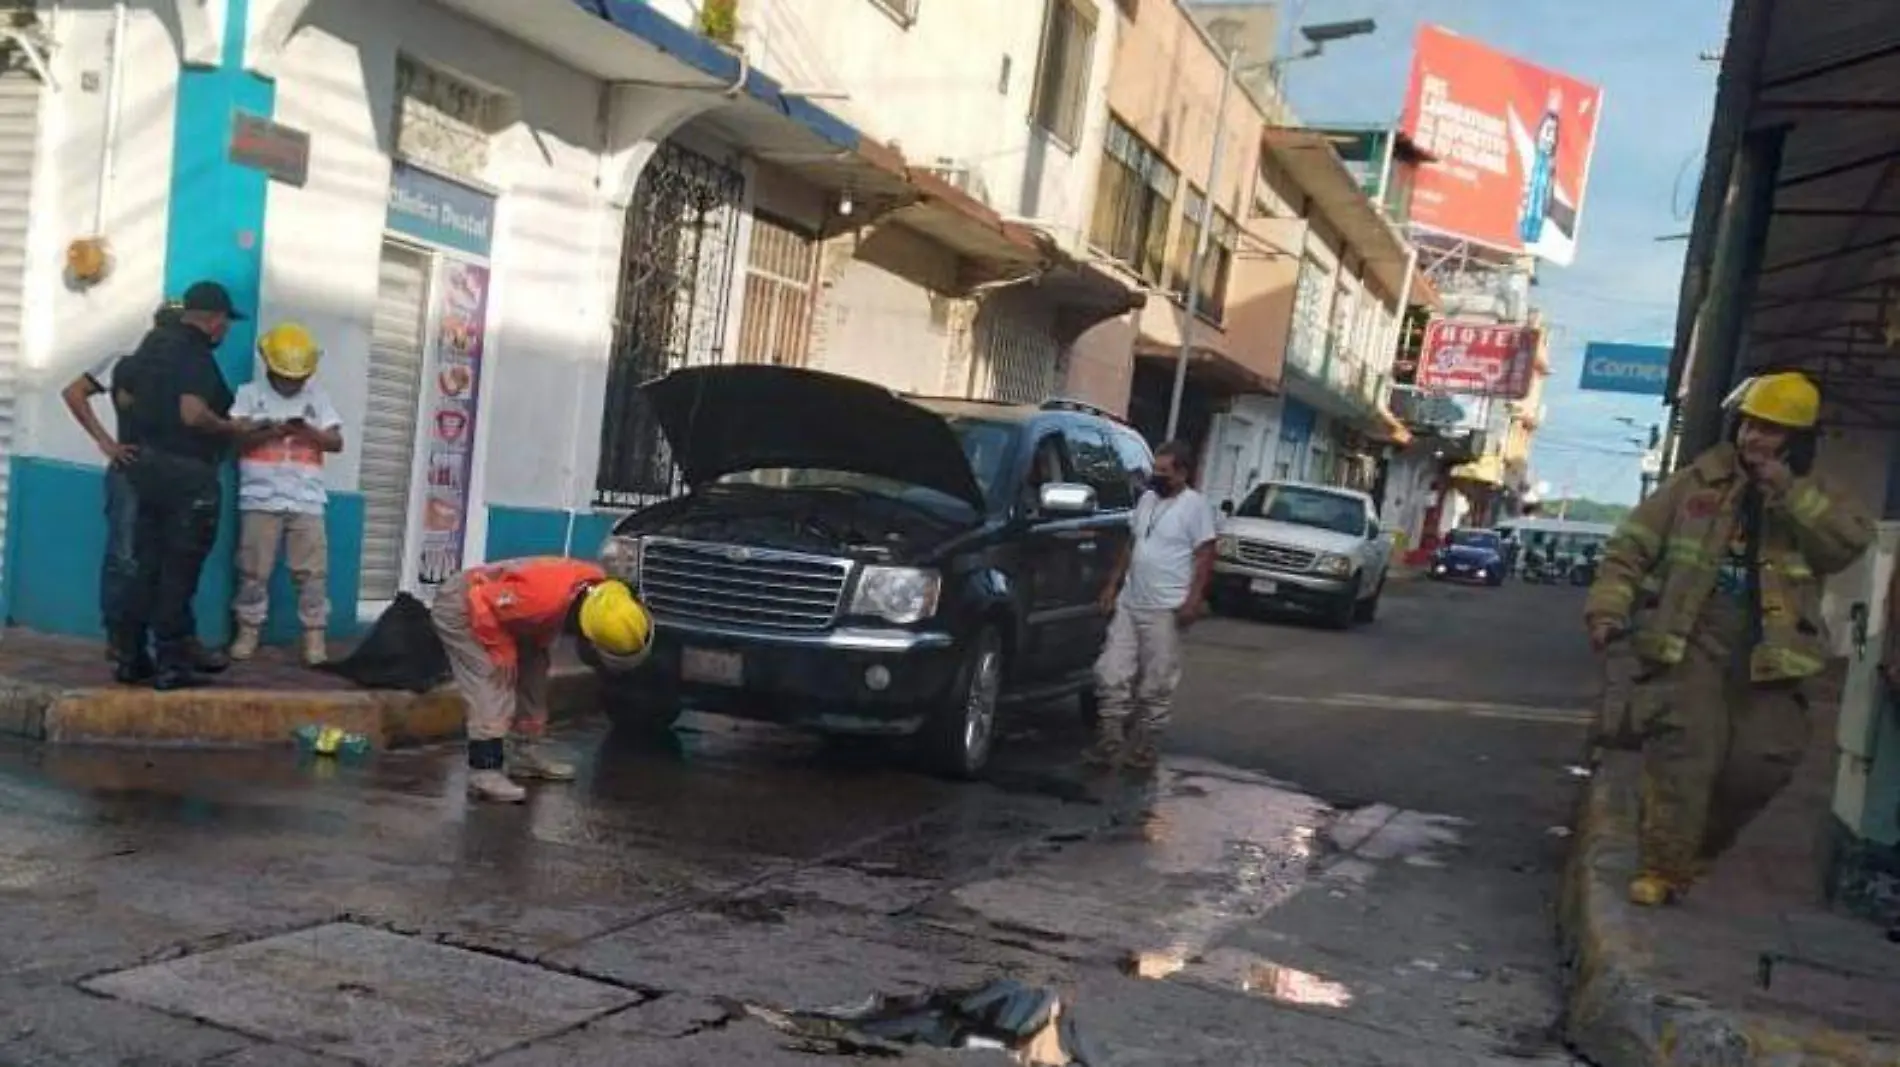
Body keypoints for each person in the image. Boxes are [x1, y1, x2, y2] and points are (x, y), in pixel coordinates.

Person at [1586, 371, 1873, 907]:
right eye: (1749, 425)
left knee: (1759, 767)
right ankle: (1661, 866)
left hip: (1775, 656)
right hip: (1690, 640)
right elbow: (1629, 549)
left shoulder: (1817, 495)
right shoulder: (1696, 483)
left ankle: (1694, 851)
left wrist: (1785, 493)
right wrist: (1608, 610)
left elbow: (1846, 545)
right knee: (1686, 755)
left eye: (1770, 429)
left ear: (1798, 439)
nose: (1754, 438)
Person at [62, 302, 230, 675]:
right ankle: (127, 645)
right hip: (134, 469)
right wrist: (107, 443)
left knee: (157, 561)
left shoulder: (165, 362)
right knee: (133, 559)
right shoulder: (131, 356)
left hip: (154, 470)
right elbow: (74, 392)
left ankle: (153, 647)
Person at [112, 281, 253, 690]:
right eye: (225, 322)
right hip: (188, 475)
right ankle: (173, 662)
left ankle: (132, 656)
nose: (225, 331)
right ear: (214, 321)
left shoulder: (147, 352)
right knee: (179, 569)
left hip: (146, 469)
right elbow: (192, 414)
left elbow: (124, 400)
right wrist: (230, 426)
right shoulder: (194, 355)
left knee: (146, 565)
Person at [431, 557, 652, 803]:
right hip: (466, 606)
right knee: (494, 679)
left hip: (511, 615)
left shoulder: (602, 592)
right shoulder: (542, 600)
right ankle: (485, 772)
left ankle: (523, 754)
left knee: (534, 674)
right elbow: (480, 598)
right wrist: (499, 650)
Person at [1089, 441, 1218, 771]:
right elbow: (1133, 543)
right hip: (1131, 602)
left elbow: (1205, 555)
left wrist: (1193, 600)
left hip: (1166, 607)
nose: (1156, 477)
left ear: (1182, 473)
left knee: (1157, 680)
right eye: (1155, 470)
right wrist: (1113, 585)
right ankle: (1109, 740)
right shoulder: (1146, 500)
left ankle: (1145, 746)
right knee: (1110, 671)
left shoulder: (1195, 508)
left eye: (1164, 471)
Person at [228, 323, 345, 667]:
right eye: (287, 377)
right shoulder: (249, 395)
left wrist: (307, 431)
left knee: (312, 574)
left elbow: (337, 442)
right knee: (253, 570)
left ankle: (314, 638)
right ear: (268, 366)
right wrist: (267, 430)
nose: (293, 384)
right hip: (260, 498)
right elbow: (235, 437)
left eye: (299, 378)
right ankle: (247, 632)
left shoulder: (317, 398)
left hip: (306, 500)